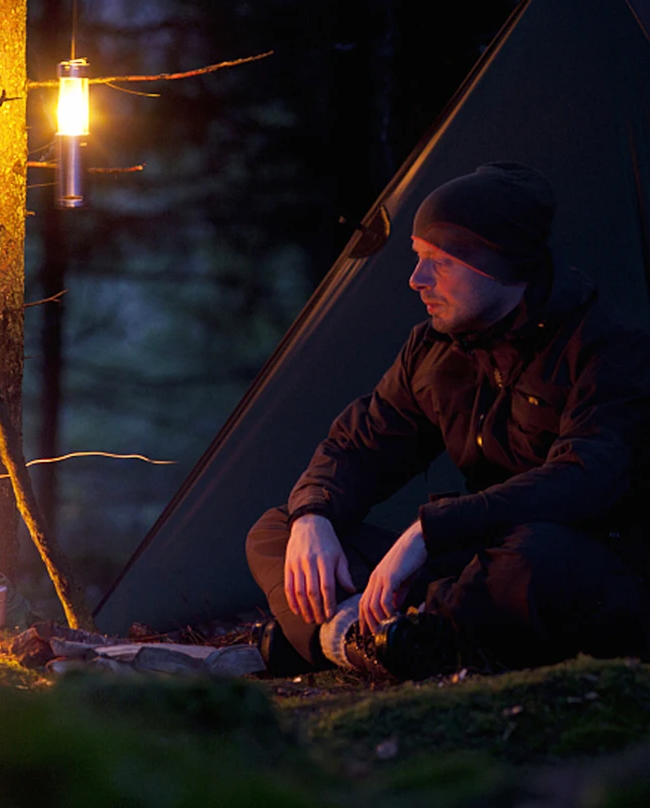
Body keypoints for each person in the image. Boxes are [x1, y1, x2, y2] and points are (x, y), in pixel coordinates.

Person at [246, 163, 650, 680]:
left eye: (439, 261)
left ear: (498, 265)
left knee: (537, 558)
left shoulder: (607, 349)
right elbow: (359, 447)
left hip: (585, 564)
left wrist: (427, 531)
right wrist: (313, 514)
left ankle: (348, 642)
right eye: (418, 259)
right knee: (277, 529)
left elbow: (584, 479)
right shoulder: (437, 350)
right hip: (470, 560)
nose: (417, 280)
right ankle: (374, 640)